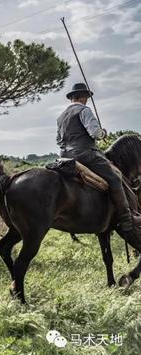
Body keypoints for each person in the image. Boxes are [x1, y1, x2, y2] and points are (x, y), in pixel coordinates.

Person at [56, 82, 140, 241]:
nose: (87, 100)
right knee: (115, 178)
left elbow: (59, 140)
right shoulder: (84, 110)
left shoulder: (61, 117)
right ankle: (126, 219)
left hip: (65, 155)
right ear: (83, 97)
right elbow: (94, 132)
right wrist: (103, 133)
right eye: (86, 97)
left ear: (71, 98)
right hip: (85, 154)